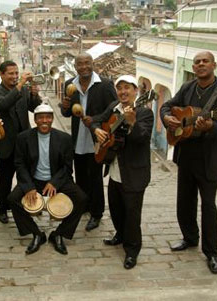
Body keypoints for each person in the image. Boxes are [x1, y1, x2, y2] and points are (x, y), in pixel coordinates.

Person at [160, 51, 217, 274]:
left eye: (205, 61)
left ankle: (212, 253)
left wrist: (212, 127)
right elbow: (168, 105)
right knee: (184, 201)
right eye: (197, 62)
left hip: (210, 158)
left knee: (208, 206)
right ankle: (189, 237)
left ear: (214, 65)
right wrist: (167, 117)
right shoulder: (188, 87)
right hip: (186, 154)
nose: (201, 65)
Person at [91, 75, 153, 269]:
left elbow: (141, 138)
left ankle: (132, 250)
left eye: (128, 88)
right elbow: (97, 120)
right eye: (120, 88)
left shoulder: (144, 113)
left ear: (136, 91)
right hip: (115, 170)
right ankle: (120, 234)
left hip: (134, 173)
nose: (123, 92)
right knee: (116, 209)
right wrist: (96, 130)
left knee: (132, 215)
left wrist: (132, 123)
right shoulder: (113, 107)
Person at [8, 104, 87, 255]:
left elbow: (67, 167)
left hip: (56, 180)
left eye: (48, 117)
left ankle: (59, 234)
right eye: (40, 117)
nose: (44, 120)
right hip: (34, 180)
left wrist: (54, 183)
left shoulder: (65, 138)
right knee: (13, 199)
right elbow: (20, 164)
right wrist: (29, 187)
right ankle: (37, 233)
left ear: (52, 119)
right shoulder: (23, 138)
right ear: (35, 120)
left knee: (81, 199)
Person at [61, 53, 117, 231]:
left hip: (97, 139)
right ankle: (83, 206)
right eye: (80, 64)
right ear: (75, 66)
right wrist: (64, 107)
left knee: (95, 178)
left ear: (92, 64)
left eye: (87, 63)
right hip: (78, 140)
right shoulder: (70, 84)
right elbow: (66, 114)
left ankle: (96, 213)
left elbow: (113, 110)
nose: (84, 67)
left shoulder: (105, 85)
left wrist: (94, 121)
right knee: (81, 177)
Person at [0, 60, 42, 224]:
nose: (14, 76)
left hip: (24, 143)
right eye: (11, 74)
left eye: (16, 73)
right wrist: (20, 85)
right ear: (2, 74)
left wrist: (34, 94)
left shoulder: (24, 90)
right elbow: (2, 105)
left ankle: (28, 205)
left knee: (26, 177)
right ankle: (2, 208)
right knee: (5, 178)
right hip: (6, 144)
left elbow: (35, 108)